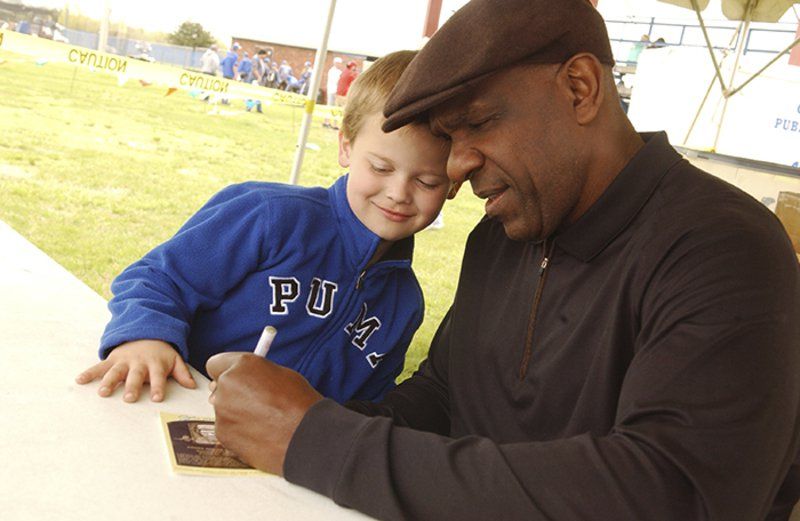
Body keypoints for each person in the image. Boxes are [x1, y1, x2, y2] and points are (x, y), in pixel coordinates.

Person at [205, 1, 800, 520]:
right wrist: (290, 418)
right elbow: (443, 400)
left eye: (478, 124)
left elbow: (672, 494)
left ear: (580, 89)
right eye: (448, 137)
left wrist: (320, 441)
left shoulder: (724, 245)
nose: (458, 167)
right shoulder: (499, 240)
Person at [76, 50, 456, 407]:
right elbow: (159, 278)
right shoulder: (270, 216)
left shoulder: (404, 304)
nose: (399, 194)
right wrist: (145, 336)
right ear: (345, 147)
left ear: (453, 184)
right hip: (171, 408)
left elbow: (368, 404)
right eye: (381, 168)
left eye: (427, 182)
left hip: (274, 464)